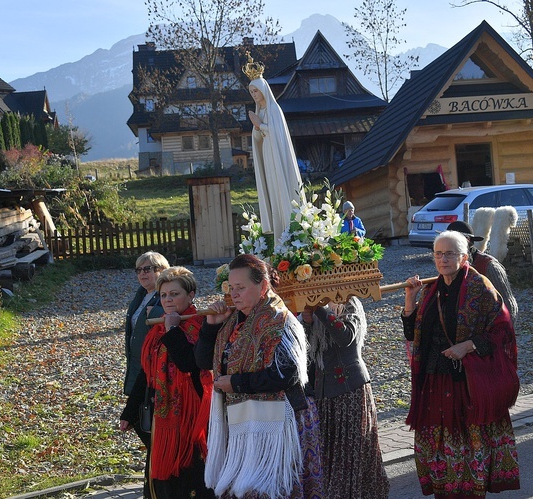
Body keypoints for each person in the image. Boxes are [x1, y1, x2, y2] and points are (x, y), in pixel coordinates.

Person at [195, 254, 324, 498]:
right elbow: (202, 362)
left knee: (275, 490)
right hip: (244, 425)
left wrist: (237, 383)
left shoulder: (281, 321)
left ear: (263, 286)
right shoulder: (232, 323)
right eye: (232, 288)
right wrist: (211, 326)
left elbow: (289, 374)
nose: (234, 294)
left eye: (241, 288)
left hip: (282, 424)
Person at [402, 230, 520, 498]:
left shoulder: (481, 287)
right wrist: (410, 300)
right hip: (434, 380)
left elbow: (502, 331)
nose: (443, 259)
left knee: (468, 440)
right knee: (440, 444)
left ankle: (469, 489)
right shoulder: (432, 290)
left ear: (464, 256)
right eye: (438, 254)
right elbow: (415, 335)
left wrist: (467, 346)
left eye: (450, 254)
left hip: (466, 381)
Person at [120, 267, 215, 498]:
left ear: (191, 295)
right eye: (164, 295)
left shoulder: (200, 325)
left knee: (190, 476)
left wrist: (173, 329)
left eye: (174, 294)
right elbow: (147, 372)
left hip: (190, 416)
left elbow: (189, 364)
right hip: (161, 415)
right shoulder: (157, 329)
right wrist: (129, 412)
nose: (168, 300)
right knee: (162, 479)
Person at [299, 298, 388, 498]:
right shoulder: (314, 307)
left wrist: (319, 309)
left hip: (351, 391)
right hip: (324, 394)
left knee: (353, 455)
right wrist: (307, 322)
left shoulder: (349, 301)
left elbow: (345, 336)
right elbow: (306, 350)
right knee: (331, 457)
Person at [123, 250, 170, 494]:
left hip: (153, 373)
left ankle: (156, 480)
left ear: (161, 271)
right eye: (139, 270)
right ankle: (152, 479)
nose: (142, 274)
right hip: (138, 369)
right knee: (141, 422)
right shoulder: (142, 296)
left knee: (148, 425)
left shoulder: (164, 298)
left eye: (148, 269)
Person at [246, 59, 306, 237]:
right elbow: (258, 138)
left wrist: (261, 125)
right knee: (273, 191)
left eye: (256, 91)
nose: (254, 95)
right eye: (251, 92)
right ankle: (279, 234)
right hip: (267, 155)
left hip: (278, 156)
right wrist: (257, 127)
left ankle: (289, 230)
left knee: (282, 189)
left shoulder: (274, 110)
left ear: (264, 90)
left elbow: (276, 133)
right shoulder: (260, 112)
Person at [446, 221, 518, 324]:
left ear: (468, 242)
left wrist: (494, 336)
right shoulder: (448, 265)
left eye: (455, 242)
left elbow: (509, 306)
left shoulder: (488, 266)